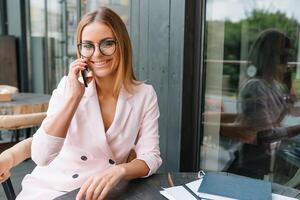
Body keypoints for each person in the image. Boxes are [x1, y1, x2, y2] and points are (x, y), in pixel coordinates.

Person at [0, 6, 162, 200]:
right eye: (88, 45)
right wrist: (74, 97)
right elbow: (41, 155)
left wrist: (120, 171)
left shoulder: (144, 95)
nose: (97, 54)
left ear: (122, 45)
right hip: (52, 190)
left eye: (107, 43)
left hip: (102, 191)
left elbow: (151, 156)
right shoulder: (67, 87)